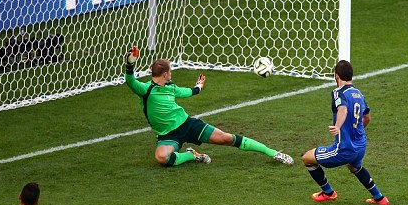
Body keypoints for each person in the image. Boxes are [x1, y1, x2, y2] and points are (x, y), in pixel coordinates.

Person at [123, 46, 293, 166]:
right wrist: (130, 64)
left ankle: (273, 153)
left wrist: (198, 87)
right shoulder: (145, 90)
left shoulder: (170, 87)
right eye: (171, 71)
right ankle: (191, 155)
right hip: (167, 135)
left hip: (187, 125)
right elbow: (130, 81)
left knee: (226, 138)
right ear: (165, 73)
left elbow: (187, 92)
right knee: (162, 158)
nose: (171, 74)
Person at [301, 60, 389, 204]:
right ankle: (379, 197)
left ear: (336, 76)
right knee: (354, 166)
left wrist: (338, 126)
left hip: (344, 149)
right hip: (361, 146)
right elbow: (367, 117)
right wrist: (355, 130)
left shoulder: (338, 92)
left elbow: (343, 109)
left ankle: (328, 193)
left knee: (307, 158)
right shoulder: (358, 94)